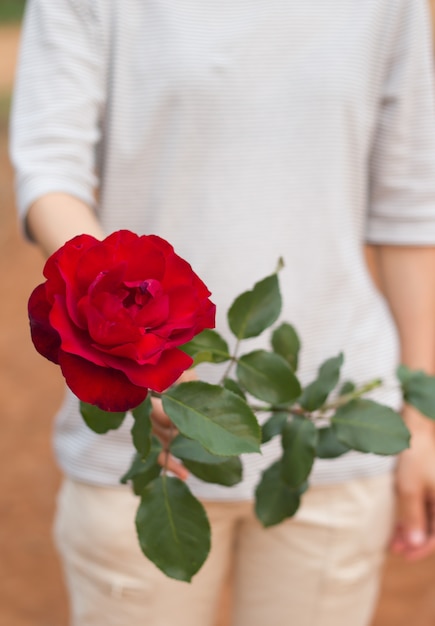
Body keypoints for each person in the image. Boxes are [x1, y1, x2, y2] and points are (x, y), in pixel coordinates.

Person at [10, 1, 435, 625]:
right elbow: (51, 168)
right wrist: (136, 358)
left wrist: (421, 418)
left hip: (331, 439)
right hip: (144, 456)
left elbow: (409, 209)